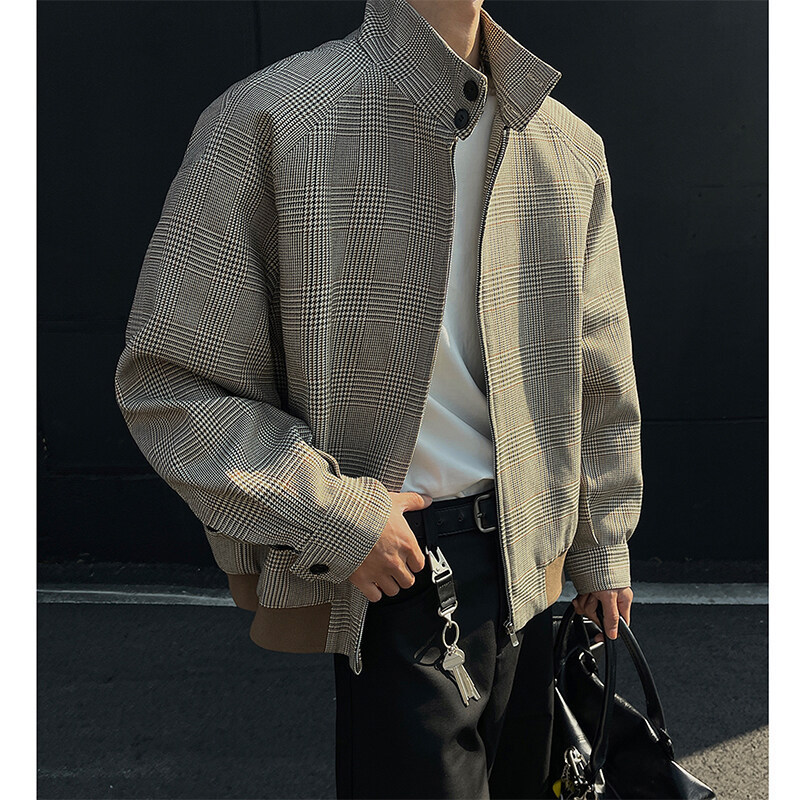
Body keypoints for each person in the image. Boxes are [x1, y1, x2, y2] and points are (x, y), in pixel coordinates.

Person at [114, 0, 643, 797]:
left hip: (535, 568)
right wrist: (333, 515)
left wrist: (602, 544)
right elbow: (170, 382)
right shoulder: (273, 119)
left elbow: (598, 371)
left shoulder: (566, 145)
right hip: (400, 564)